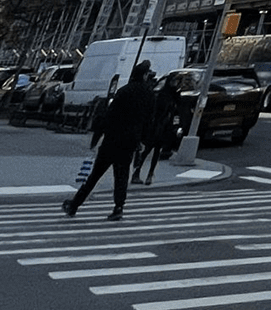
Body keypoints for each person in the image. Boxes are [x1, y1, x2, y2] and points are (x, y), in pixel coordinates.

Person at [65, 61, 155, 220]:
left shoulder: (123, 92)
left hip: (113, 139)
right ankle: (119, 207)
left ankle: (75, 204)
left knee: (95, 175)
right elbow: (149, 120)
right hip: (130, 141)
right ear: (145, 75)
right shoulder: (149, 95)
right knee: (121, 176)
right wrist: (142, 141)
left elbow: (109, 116)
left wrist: (96, 138)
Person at [135, 73, 186, 185]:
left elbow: (179, 107)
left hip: (165, 127)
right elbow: (157, 111)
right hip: (156, 126)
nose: (175, 84)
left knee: (156, 152)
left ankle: (150, 174)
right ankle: (137, 171)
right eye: (173, 81)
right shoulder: (163, 95)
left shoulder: (174, 95)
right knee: (148, 150)